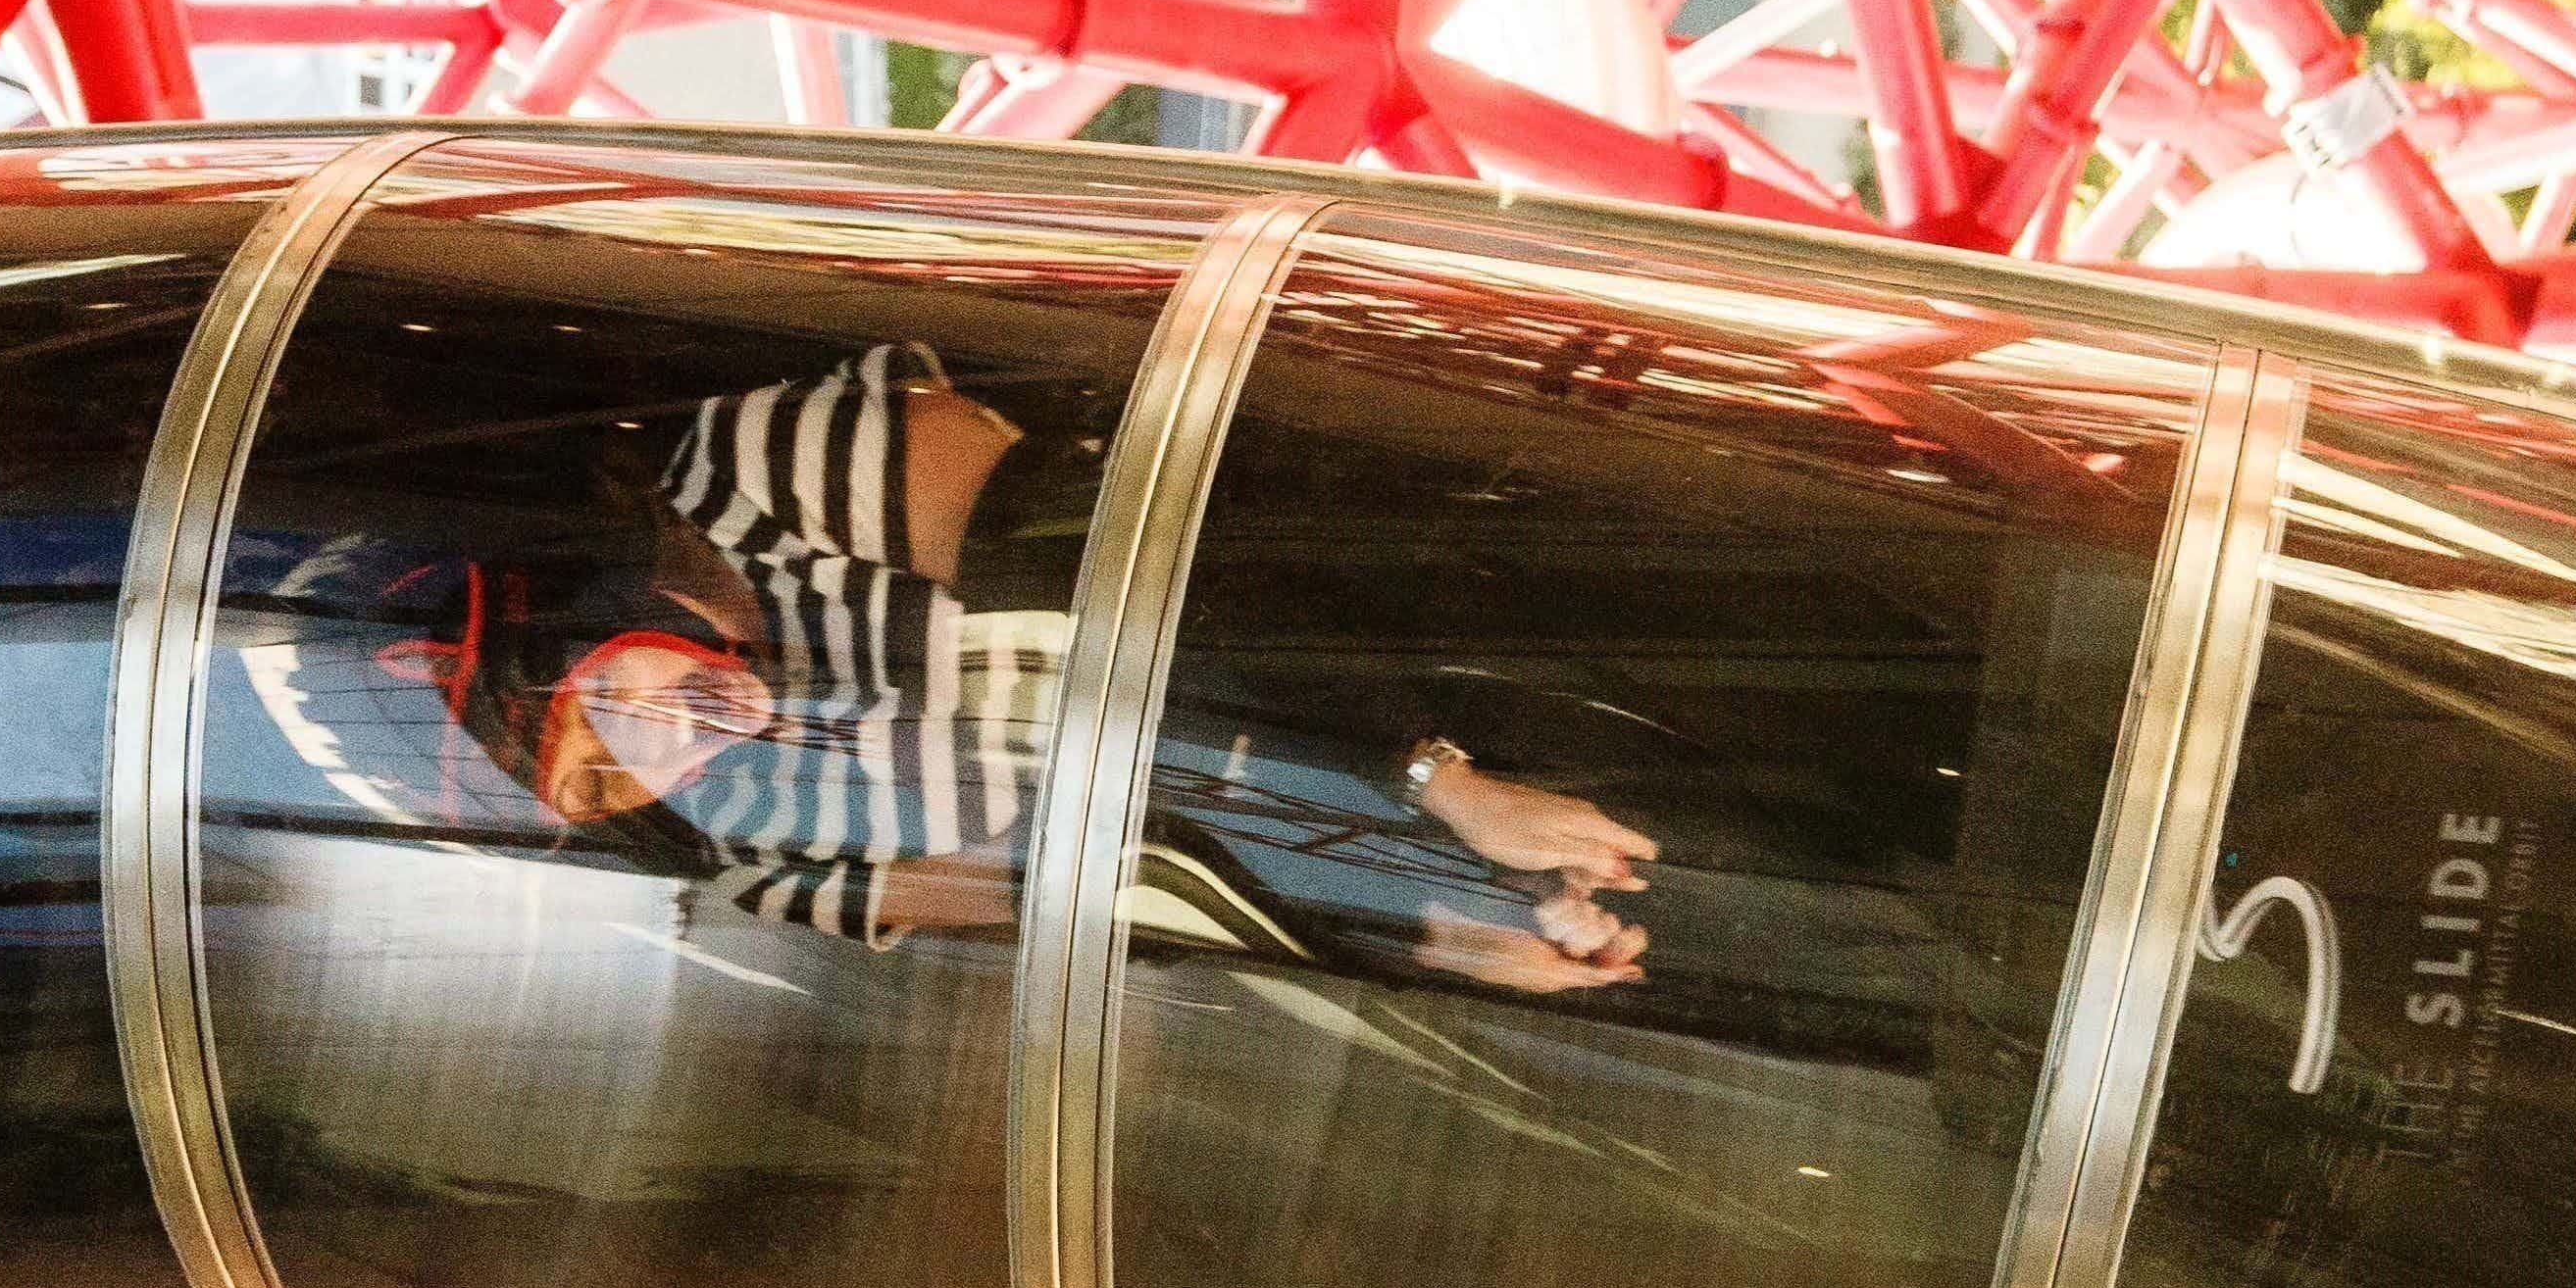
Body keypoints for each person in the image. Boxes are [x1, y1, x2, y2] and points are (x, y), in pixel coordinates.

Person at [358, 342, 1662, 991]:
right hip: (1364, 797)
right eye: (596, 795)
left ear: (567, 616)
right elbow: (1117, 887)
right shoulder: (750, 849)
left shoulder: (755, 481)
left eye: (592, 712)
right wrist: (1432, 933)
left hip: (1414, 588)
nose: (647, 759)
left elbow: (1153, 550)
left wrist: (1445, 785)